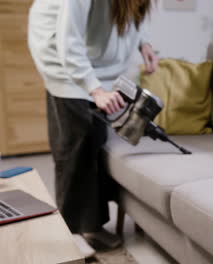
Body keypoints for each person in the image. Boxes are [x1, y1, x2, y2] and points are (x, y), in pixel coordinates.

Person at [28, 0, 158, 256]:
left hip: (90, 56)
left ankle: (91, 225)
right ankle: (71, 230)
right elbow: (69, 41)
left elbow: (130, 15)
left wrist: (143, 42)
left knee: (95, 139)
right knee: (75, 142)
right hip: (59, 49)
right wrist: (95, 89)